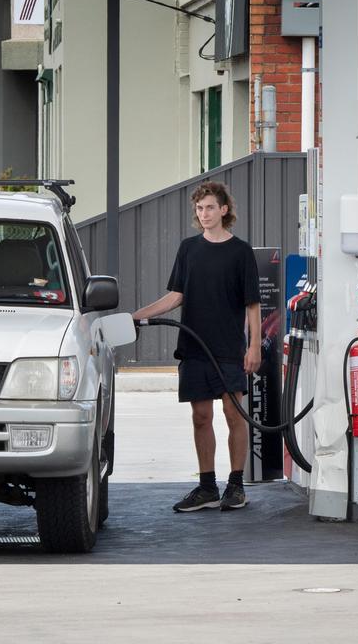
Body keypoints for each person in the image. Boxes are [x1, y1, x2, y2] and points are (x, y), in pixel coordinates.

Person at [132, 181, 261, 512]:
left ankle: (235, 485)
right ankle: (207, 487)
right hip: (194, 346)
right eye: (199, 208)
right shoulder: (188, 249)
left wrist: (254, 347)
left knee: (234, 414)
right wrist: (136, 316)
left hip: (230, 348)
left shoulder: (241, 251)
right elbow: (176, 296)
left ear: (224, 210)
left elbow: (252, 305)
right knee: (200, 416)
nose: (204, 214)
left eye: (209, 207)